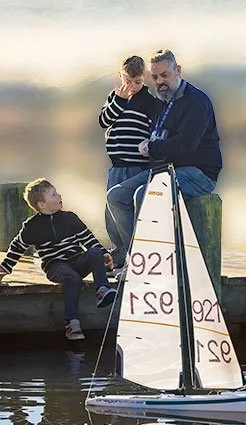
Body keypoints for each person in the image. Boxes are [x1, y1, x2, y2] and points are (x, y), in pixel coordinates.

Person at [106, 49, 222, 266]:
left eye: (165, 75)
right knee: (116, 196)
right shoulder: (160, 100)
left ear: (178, 70)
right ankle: (139, 259)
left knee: (145, 194)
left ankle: (153, 261)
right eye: (155, 77)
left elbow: (186, 145)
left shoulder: (196, 101)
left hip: (199, 173)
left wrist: (151, 148)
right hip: (166, 169)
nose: (160, 81)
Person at [0, 178, 116, 341]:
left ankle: (102, 290)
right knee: (72, 278)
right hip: (55, 267)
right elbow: (17, 246)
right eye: (54, 195)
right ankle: (72, 323)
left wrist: (104, 255)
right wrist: (5, 267)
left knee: (94, 252)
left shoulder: (70, 218)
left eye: (57, 193)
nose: (59, 196)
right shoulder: (32, 226)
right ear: (41, 205)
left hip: (76, 261)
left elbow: (88, 238)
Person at [99, 55, 157, 269]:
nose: (132, 86)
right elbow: (103, 121)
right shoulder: (115, 97)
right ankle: (121, 253)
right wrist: (120, 100)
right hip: (116, 166)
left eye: (137, 82)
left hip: (137, 166)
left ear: (145, 79)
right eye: (127, 81)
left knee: (131, 211)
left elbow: (155, 131)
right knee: (112, 215)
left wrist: (149, 143)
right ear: (121, 77)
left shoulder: (150, 102)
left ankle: (137, 255)